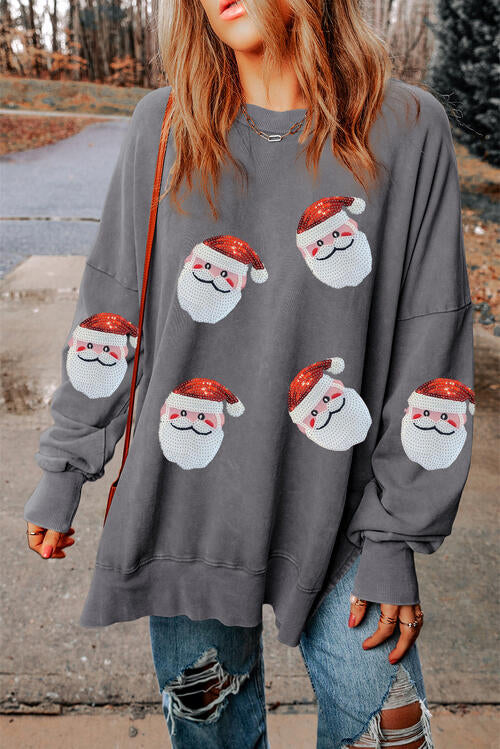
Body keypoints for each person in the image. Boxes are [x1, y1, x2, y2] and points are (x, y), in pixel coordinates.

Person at [24, 1, 475, 746]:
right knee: (212, 726)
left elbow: (432, 336)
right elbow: (112, 303)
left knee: (389, 726)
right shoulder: (166, 125)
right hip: (191, 500)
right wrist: (67, 462)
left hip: (345, 504)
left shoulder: (406, 126)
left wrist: (398, 535)